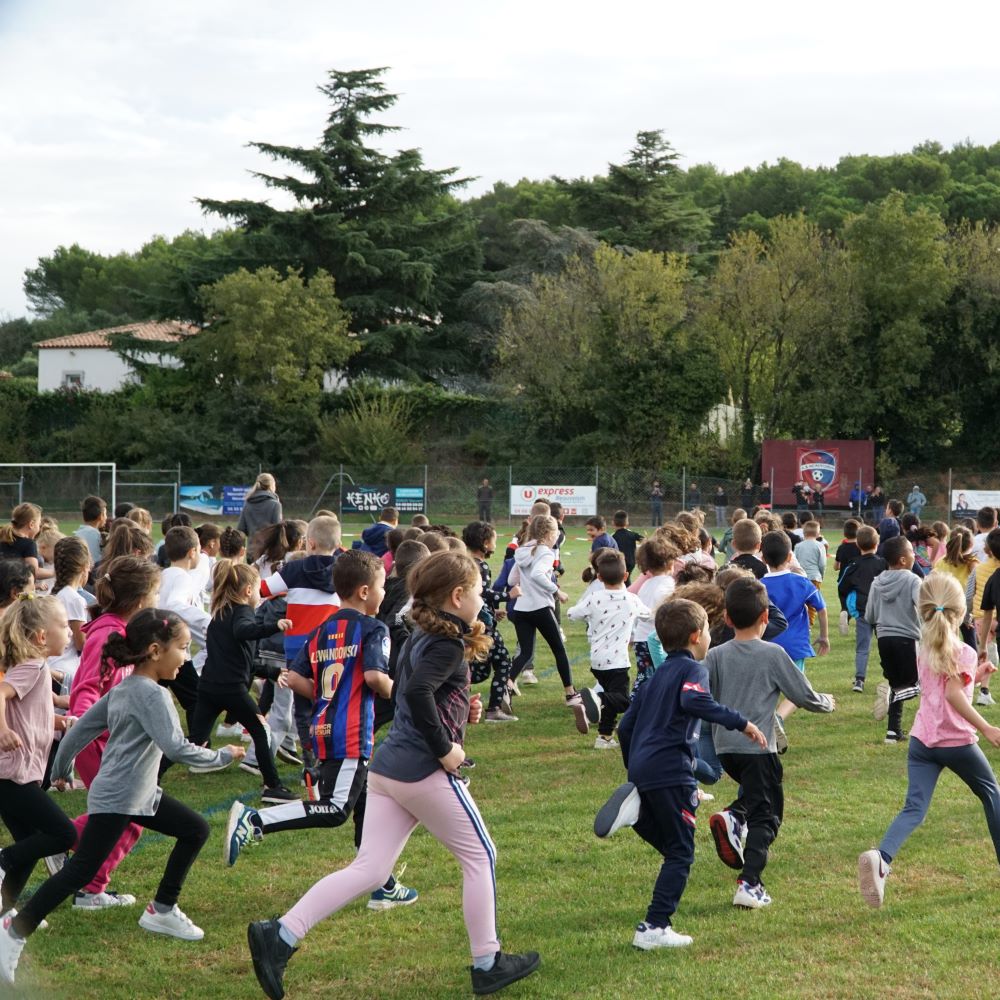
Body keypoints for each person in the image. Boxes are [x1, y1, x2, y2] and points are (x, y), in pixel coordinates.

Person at [246, 550, 540, 1000]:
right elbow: (419, 692)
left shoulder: (423, 635)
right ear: (457, 596)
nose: (483, 598)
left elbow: (415, 693)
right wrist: (446, 750)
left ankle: (280, 935)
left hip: (387, 770)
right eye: (479, 592)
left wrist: (461, 711)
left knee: (370, 867)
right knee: (481, 856)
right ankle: (488, 962)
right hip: (422, 769)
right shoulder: (442, 642)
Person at [0, 611, 247, 984]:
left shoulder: (125, 688)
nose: (186, 656)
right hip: (120, 797)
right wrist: (223, 756)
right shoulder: (152, 695)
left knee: (194, 829)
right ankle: (13, 934)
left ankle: (161, 909)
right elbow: (176, 749)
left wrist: (59, 770)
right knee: (80, 870)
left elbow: (80, 729)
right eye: (182, 648)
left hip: (139, 794)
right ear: (154, 651)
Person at [223, 551, 418, 905]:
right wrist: (404, 695)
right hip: (351, 733)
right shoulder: (374, 628)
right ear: (363, 591)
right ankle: (255, 821)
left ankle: (382, 884)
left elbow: (294, 678)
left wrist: (331, 694)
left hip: (323, 726)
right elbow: (375, 677)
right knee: (334, 810)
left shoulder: (323, 630)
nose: (383, 594)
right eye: (379, 587)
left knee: (368, 805)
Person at [592, 598, 766, 949]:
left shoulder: (656, 677)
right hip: (671, 771)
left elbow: (626, 729)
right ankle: (654, 927)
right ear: (695, 636)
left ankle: (637, 809)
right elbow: (694, 702)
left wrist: (637, 772)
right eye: (707, 634)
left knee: (675, 848)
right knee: (682, 853)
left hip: (646, 769)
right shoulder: (692, 671)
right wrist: (741, 722)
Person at [858, 573, 1000, 909]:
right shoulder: (962, 650)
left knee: (914, 809)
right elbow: (952, 694)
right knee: (992, 795)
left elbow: (945, 687)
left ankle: (882, 857)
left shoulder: (923, 647)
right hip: (957, 744)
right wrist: (989, 728)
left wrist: (974, 677)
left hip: (923, 742)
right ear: (960, 611)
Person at [705, 578, 835, 909]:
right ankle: (750, 883)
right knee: (768, 815)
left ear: (728, 619)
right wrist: (827, 702)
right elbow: (802, 695)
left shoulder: (715, 655)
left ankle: (735, 816)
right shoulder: (773, 653)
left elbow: (704, 699)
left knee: (759, 793)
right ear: (766, 616)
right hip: (758, 748)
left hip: (726, 750)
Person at [66, 555, 161, 909]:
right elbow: (87, 687)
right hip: (95, 739)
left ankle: (58, 846)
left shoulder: (117, 631)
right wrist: (83, 722)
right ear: (139, 601)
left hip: (107, 739)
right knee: (131, 813)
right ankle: (87, 886)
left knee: (124, 814)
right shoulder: (107, 634)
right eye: (154, 596)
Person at [187, 560, 295, 803]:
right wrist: (273, 626)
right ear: (248, 591)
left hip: (209, 687)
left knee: (195, 740)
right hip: (231, 690)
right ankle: (272, 786)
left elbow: (243, 660)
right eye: (257, 590)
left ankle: (153, 776)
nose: (259, 595)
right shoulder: (243, 612)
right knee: (262, 730)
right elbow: (244, 631)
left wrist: (273, 673)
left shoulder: (221, 614)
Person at [0, 596, 77, 921]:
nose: (70, 632)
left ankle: (3, 913)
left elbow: (30, 713)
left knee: (30, 845)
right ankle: (2, 860)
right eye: (64, 626)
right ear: (42, 637)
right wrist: (2, 729)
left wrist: (61, 722)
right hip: (12, 776)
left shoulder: (38, 669)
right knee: (64, 835)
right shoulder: (33, 666)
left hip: (18, 776)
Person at [508, 514, 588, 730]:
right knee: (559, 650)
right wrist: (557, 591)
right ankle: (571, 693)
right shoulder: (544, 551)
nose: (557, 538)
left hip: (522, 608)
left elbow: (511, 580)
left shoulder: (522, 550)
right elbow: (537, 575)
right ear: (549, 534)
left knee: (525, 652)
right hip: (540, 608)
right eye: (556, 534)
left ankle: (506, 686)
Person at [569, 550, 651, 749]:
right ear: (625, 576)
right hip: (617, 661)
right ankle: (592, 699)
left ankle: (604, 737)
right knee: (622, 700)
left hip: (597, 660)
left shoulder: (594, 598)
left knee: (611, 700)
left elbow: (572, 614)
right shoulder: (630, 600)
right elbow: (649, 615)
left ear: (599, 577)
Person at [866, 536, 922, 743]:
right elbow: (923, 609)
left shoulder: (876, 582)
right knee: (918, 684)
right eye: (911, 551)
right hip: (907, 638)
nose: (914, 554)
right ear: (903, 560)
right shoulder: (913, 580)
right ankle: (889, 696)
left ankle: (893, 732)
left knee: (897, 682)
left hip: (884, 639)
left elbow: (870, 616)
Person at [461, 522, 516, 723]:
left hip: (476, 621)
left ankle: (460, 698)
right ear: (485, 543)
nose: (495, 543)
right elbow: (482, 593)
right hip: (482, 626)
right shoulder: (480, 565)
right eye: (494, 539)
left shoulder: (467, 563)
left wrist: (493, 611)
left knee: (479, 669)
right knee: (503, 662)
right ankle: (494, 709)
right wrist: (508, 595)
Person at [837, 526, 886, 693]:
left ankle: (859, 680)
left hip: (862, 611)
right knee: (886, 645)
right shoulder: (883, 564)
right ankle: (892, 676)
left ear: (858, 544)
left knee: (862, 647)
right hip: (882, 612)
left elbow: (842, 586)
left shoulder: (853, 565)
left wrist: (846, 604)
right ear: (877, 543)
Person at [631, 536, 678, 693]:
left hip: (640, 639)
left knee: (645, 676)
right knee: (661, 677)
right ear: (670, 562)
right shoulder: (668, 586)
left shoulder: (646, 585)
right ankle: (640, 702)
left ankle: (639, 702)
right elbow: (666, 614)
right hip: (658, 641)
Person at [0, 504, 52, 583]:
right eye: (39, 524)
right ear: (31, 525)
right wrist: (55, 572)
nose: (39, 527)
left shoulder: (3, 536)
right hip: (11, 590)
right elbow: (34, 572)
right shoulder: (28, 544)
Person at [834, 519, 862, 636]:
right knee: (859, 603)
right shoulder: (861, 547)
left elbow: (836, 566)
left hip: (843, 580)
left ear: (844, 533)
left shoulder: (842, 547)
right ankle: (859, 625)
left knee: (844, 602)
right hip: (858, 580)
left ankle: (844, 612)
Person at [238, 473, 283, 538]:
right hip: (269, 547)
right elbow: (278, 531)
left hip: (252, 546)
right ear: (271, 485)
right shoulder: (275, 505)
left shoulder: (248, 503)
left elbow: (241, 529)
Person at [75, 495, 108, 566]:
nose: (106, 518)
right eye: (105, 514)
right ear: (100, 516)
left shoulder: (77, 534)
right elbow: (96, 561)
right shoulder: (95, 535)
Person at [611, 510, 643, 584]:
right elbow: (644, 540)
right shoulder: (632, 534)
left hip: (619, 562)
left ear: (613, 523)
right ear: (627, 523)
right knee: (626, 578)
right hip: (631, 562)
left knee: (620, 579)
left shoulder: (613, 536)